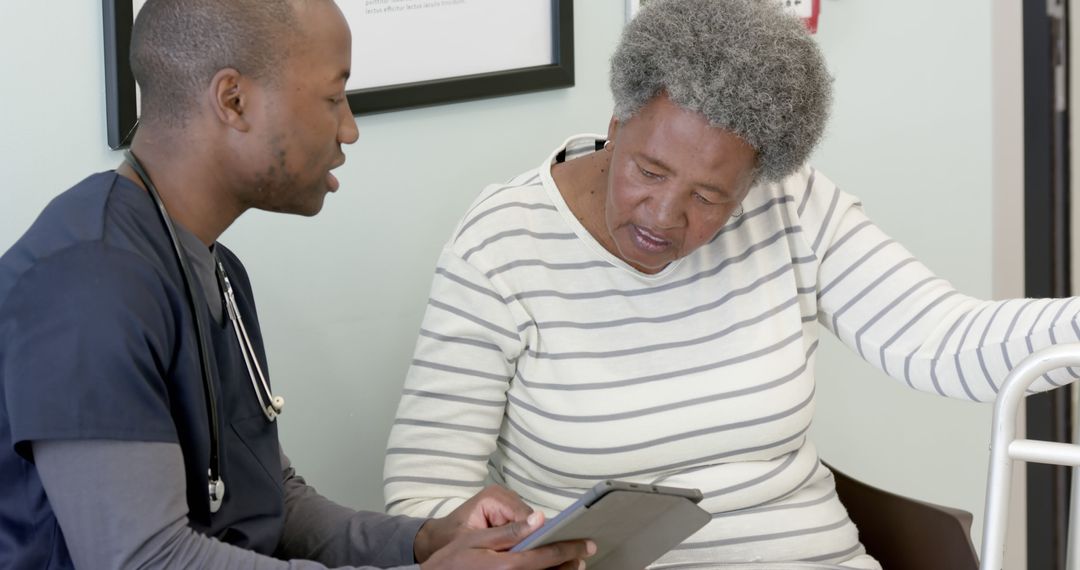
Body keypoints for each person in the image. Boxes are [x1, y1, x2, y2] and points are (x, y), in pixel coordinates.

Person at [381, 0, 1079, 568]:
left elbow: (944, 340)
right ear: (616, 123)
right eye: (649, 171)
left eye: (710, 197)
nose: (663, 216)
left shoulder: (793, 206)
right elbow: (424, 493)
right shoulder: (504, 242)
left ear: (756, 183)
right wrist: (483, 533)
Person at [0, 0, 595, 568]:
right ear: (233, 101)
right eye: (334, 98)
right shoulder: (87, 289)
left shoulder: (215, 270)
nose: (350, 129)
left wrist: (427, 541)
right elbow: (147, 560)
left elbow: (271, 500)